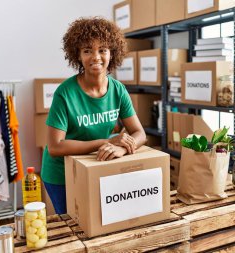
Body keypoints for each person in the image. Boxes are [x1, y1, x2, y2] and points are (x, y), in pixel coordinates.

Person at [41, 17, 146, 214]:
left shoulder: (118, 90)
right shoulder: (65, 92)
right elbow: (55, 147)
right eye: (88, 50)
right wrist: (105, 142)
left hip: (97, 165)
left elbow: (139, 132)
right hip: (62, 174)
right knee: (73, 227)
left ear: (112, 53)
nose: (96, 57)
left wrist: (122, 149)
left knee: (99, 221)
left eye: (103, 50)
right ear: (78, 55)